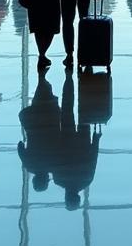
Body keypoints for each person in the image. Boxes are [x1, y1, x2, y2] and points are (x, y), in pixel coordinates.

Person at [18, 74, 101, 210]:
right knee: (67, 107)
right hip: (65, 137)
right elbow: (48, 150)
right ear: (66, 198)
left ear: (78, 198)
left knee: (80, 109)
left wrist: (96, 139)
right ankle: (69, 78)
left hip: (81, 140)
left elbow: (93, 158)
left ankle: (81, 80)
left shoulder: (86, 179)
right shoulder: (58, 178)